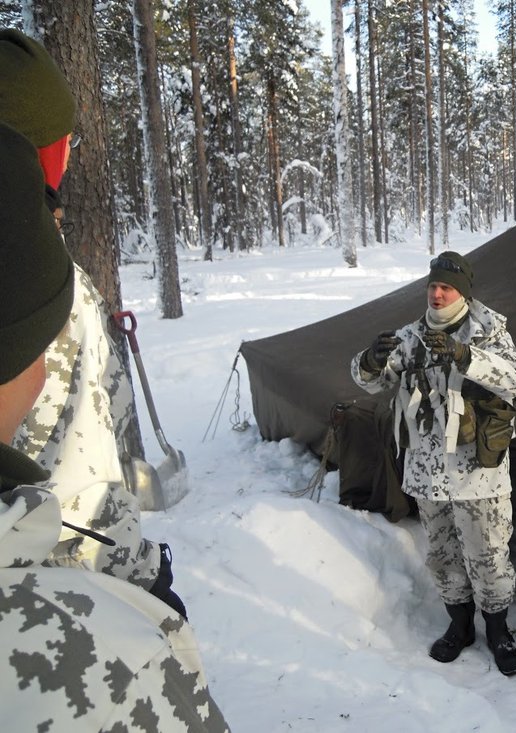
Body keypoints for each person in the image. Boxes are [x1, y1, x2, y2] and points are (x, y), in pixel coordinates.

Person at [0, 121, 228, 732]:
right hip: (77, 567)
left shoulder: (57, 273)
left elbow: (106, 414)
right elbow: (68, 480)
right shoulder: (113, 665)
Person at [0, 28, 184, 615]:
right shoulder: (32, 281)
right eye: (65, 138)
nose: (72, 151)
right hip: (68, 591)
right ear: (40, 151)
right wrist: (142, 575)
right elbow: (69, 474)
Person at [351, 252, 516, 675]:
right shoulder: (410, 336)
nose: (436, 293)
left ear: (462, 292)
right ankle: (460, 626)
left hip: (477, 473)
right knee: (444, 555)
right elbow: (369, 382)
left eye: (446, 287)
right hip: (428, 473)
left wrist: (464, 355)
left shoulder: (488, 331)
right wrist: (370, 360)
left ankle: (498, 630)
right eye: (432, 286)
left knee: (487, 554)